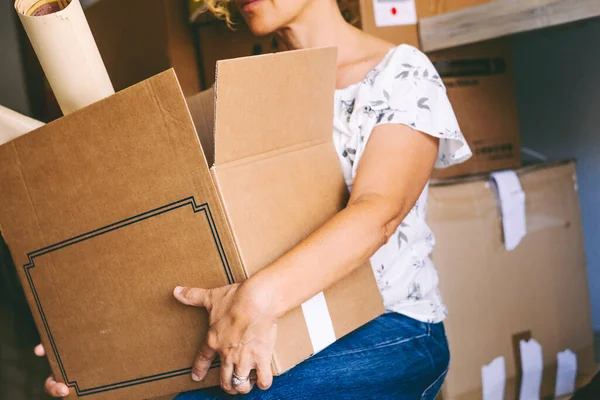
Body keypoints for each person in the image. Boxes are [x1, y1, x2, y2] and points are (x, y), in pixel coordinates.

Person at [38, 0, 472, 398]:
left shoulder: (400, 72)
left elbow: (378, 211)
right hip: (281, 322)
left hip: (393, 325)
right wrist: (100, 352)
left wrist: (258, 301)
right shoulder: (251, 88)